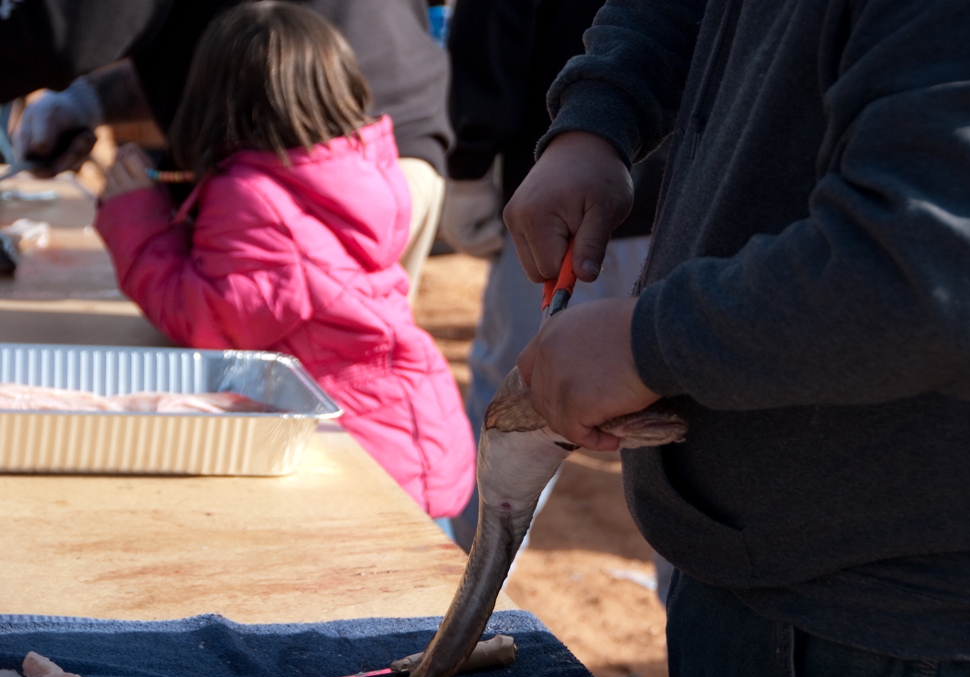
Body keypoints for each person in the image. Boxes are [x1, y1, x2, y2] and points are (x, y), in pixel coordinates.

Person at [505, 0, 970, 677]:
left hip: (892, 622)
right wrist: (599, 114)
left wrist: (647, 342)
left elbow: (937, 280)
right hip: (757, 573)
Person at [93, 2, 475, 522]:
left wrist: (135, 215)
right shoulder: (358, 168)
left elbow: (211, 323)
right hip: (407, 431)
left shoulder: (254, 197)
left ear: (212, 99)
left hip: (360, 460)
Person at [4, 0, 450, 301]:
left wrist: (138, 223)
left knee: (293, 410)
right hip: (392, 158)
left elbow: (67, 36)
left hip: (294, 191)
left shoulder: (257, 198)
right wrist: (92, 101)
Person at [439, 0, 666, 553]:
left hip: (610, 209)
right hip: (583, 193)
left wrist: (471, 157)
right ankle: (458, 583)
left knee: (672, 431)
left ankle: (463, 573)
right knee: (519, 402)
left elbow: (490, 31)